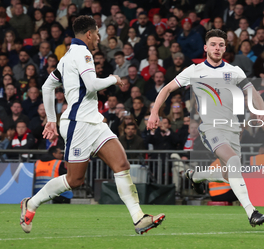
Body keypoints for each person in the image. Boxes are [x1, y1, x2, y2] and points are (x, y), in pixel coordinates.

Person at [20, 15, 165, 235]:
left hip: (93, 121)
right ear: (89, 34)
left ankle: (138, 218)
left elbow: (48, 86)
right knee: (74, 180)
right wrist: (113, 79)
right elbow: (90, 85)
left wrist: (51, 119)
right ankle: (31, 204)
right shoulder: (82, 53)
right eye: (97, 32)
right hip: (78, 124)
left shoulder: (68, 56)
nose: (99, 37)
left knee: (122, 164)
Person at [147, 29, 264, 227]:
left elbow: (253, 92)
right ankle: (251, 212)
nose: (217, 48)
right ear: (205, 47)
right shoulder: (194, 71)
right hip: (210, 128)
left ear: (225, 48)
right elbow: (167, 89)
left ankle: (197, 175)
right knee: (233, 160)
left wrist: (261, 110)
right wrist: (154, 113)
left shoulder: (235, 71)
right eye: (213, 44)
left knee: (227, 174)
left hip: (232, 130)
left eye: (221, 45)